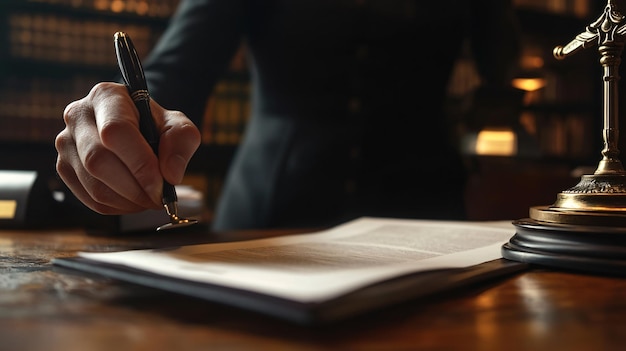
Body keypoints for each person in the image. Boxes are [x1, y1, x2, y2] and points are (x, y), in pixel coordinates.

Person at [55, 0, 521, 231]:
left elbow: (500, 83)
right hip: (268, 217)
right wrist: (125, 121)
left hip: (428, 213)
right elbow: (178, 72)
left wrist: (496, 163)